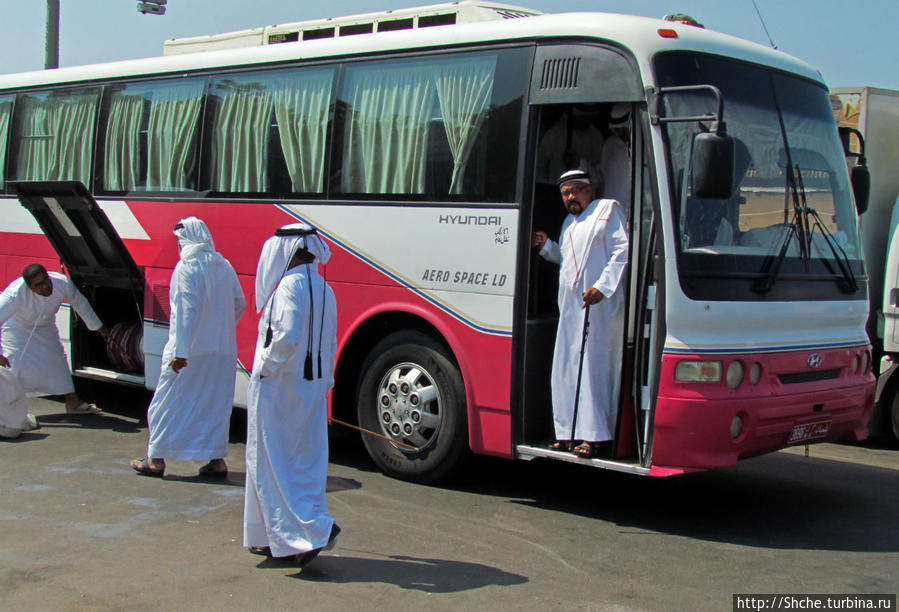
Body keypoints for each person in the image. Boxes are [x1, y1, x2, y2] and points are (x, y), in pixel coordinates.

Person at [243, 223, 340, 567]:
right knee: (303, 459)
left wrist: (265, 368)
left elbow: (287, 335)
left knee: (273, 462)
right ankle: (271, 537)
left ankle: (310, 532)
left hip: (280, 388)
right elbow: (330, 342)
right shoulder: (324, 288)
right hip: (310, 388)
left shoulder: (287, 287)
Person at [131, 217, 246, 478]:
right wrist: (220, 329)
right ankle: (217, 462)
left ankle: (156, 460)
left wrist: (180, 354)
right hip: (221, 352)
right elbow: (239, 303)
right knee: (214, 406)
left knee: (166, 402)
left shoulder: (186, 268)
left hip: (187, 354)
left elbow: (185, 312)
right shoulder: (224, 265)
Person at [532, 170, 629, 458]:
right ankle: (568, 432)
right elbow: (567, 260)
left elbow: (621, 251)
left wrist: (602, 287)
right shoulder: (569, 223)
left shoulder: (607, 211)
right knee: (566, 369)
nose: (571, 196)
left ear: (590, 190)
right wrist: (547, 246)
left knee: (593, 369)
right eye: (566, 193)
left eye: (577, 190)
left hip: (599, 307)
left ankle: (596, 435)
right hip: (572, 309)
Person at [0, 263, 108, 414]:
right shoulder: (14, 294)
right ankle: (12, 412)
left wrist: (97, 325)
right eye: (39, 285)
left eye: (46, 280)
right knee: (14, 367)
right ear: (29, 287)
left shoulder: (61, 282)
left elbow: (79, 302)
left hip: (45, 327)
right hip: (16, 327)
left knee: (58, 361)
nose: (45, 286)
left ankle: (73, 403)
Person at [599, 104, 631, 206]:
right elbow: (601, 174)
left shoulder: (645, 143)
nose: (621, 133)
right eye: (617, 130)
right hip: (613, 205)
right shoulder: (610, 144)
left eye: (624, 129)